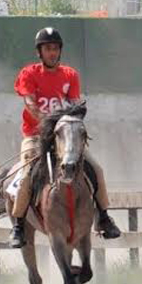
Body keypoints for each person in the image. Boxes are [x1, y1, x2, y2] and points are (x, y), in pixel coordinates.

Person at [9, 27, 121, 248]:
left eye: (55, 49)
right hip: (35, 136)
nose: (52, 53)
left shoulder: (70, 75)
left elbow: (73, 106)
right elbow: (30, 105)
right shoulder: (29, 74)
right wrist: (47, 123)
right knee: (26, 175)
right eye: (48, 49)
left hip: (64, 138)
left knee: (96, 170)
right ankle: (19, 226)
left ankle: (104, 217)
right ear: (39, 52)